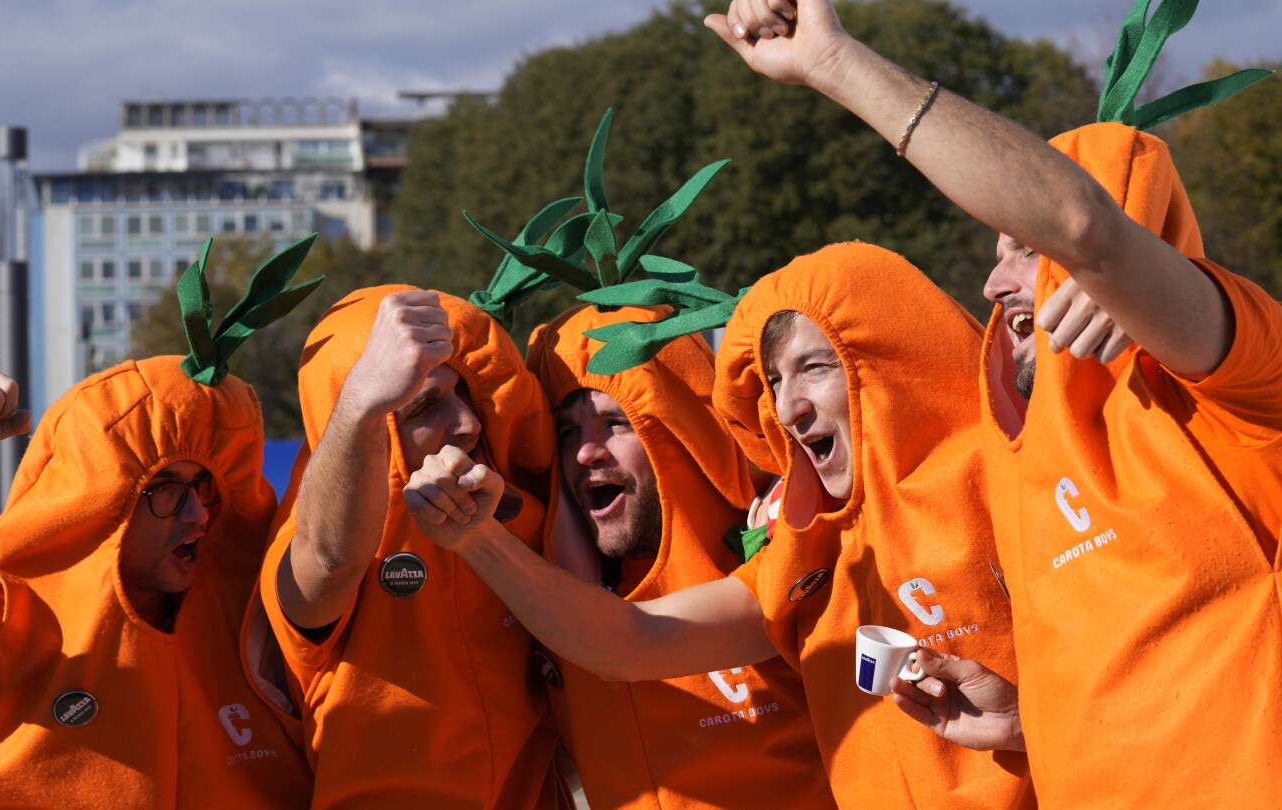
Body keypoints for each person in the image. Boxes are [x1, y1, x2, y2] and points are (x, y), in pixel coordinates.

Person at [710, 0, 1281, 804]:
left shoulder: (1235, 378)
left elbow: (1085, 225)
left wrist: (835, 64)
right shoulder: (1024, 455)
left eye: (1023, 249)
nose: (991, 282)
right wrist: (1023, 723)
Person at [405, 243, 1034, 809]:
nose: (787, 407)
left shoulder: (1014, 489)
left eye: (816, 367)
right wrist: (477, 540)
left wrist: (1022, 722)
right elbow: (631, 644)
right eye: (775, 380)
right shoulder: (800, 558)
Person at [0, 242, 319, 805]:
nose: (196, 514)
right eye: (165, 490)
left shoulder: (258, 617)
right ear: (100, 503)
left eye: (203, 487)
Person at [256, 285, 566, 808]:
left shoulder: (523, 510)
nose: (467, 423)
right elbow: (327, 563)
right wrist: (361, 400)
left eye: (465, 395)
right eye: (424, 406)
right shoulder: (311, 536)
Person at [519, 302, 834, 808]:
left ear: (680, 430)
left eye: (615, 423)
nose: (586, 452)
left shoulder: (784, 548)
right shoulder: (544, 601)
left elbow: (625, 645)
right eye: (567, 432)